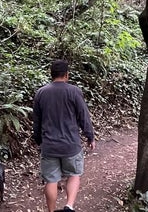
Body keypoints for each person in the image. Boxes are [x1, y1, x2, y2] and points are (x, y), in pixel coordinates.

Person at [32, 59, 95, 212]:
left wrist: (38, 140)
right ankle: (69, 206)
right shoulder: (74, 91)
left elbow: (37, 121)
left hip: (49, 146)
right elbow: (83, 116)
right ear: (66, 75)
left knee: (51, 180)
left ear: (51, 74)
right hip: (71, 145)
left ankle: (52, 210)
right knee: (73, 175)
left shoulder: (41, 93)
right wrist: (90, 136)